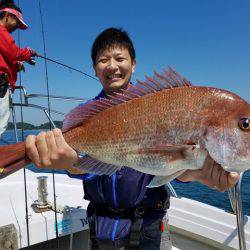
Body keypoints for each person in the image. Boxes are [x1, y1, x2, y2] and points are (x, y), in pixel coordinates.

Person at [25, 28, 239, 250]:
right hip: (102, 227)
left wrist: (198, 172)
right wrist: (69, 163)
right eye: (103, 60)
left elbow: (175, 170)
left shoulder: (160, 103)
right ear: (95, 69)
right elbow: (82, 166)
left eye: (120, 58)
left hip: (150, 226)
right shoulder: (86, 114)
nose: (112, 66)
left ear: (134, 64)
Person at [0, 0, 37, 137]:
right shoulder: (1, 31)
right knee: (0, 123)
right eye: (18, 22)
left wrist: (17, 65)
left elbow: (6, 58)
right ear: (7, 16)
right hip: (1, 85)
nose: (17, 27)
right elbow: (13, 53)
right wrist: (29, 53)